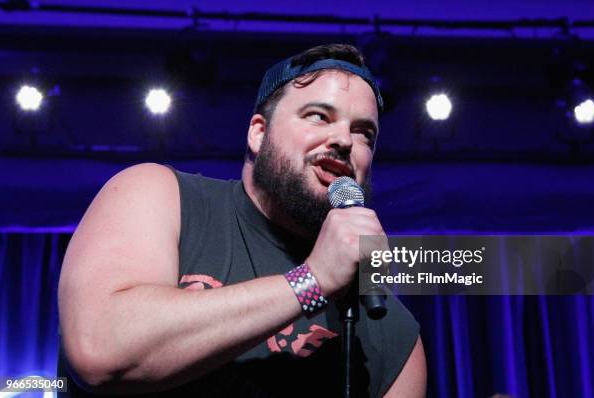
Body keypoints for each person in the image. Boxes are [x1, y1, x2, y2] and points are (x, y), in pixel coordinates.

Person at [57, 43, 426, 397]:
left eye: (365, 133)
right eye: (319, 115)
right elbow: (99, 349)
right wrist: (312, 281)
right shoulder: (161, 196)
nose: (344, 139)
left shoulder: (391, 333)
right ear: (258, 132)